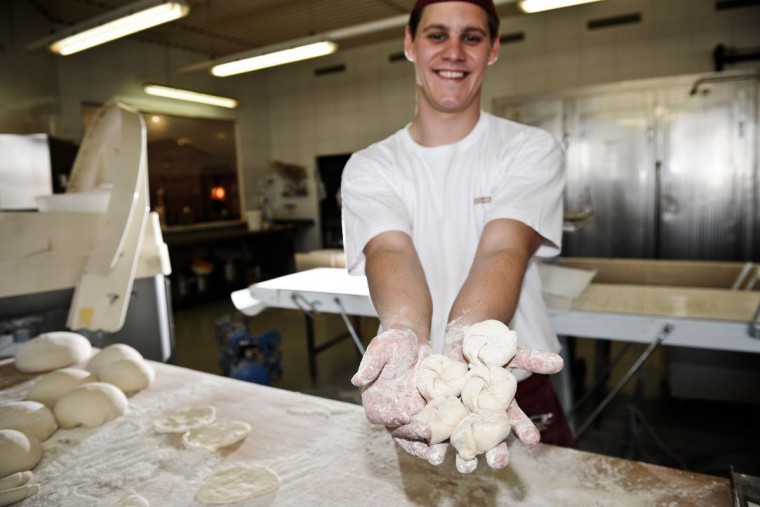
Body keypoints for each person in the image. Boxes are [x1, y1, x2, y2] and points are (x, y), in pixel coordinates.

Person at [341, 0, 574, 473]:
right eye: (436, 35)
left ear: (492, 50)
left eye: (471, 37)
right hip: (420, 383)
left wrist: (470, 343)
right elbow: (391, 249)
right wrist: (406, 331)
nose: (454, 52)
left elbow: (503, 247)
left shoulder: (529, 149)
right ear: (409, 44)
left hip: (510, 382)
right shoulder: (371, 166)